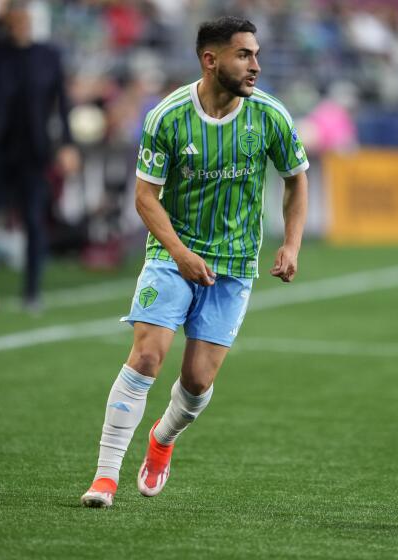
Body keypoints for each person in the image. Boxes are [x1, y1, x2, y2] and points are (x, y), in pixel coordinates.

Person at [81, 16, 309, 508]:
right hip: (172, 252)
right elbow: (145, 197)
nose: (256, 65)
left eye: (256, 54)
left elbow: (296, 178)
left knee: (198, 380)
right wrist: (180, 254)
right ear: (211, 60)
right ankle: (105, 477)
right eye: (244, 55)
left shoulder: (270, 115)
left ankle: (162, 441)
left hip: (234, 262)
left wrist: (290, 245)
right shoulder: (167, 117)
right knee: (146, 356)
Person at [0, 0, 80, 312]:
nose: (21, 23)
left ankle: (32, 293)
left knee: (33, 220)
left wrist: (68, 144)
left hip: (33, 152)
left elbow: (62, 103)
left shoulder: (48, 56)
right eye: (15, 18)